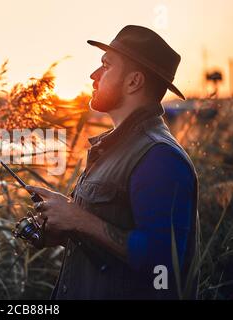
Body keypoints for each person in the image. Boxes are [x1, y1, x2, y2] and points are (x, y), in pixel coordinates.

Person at [26, 25, 199, 300]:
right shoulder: (116, 147)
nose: (93, 75)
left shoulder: (159, 157)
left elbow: (162, 263)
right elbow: (113, 233)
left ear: (134, 82)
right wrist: (65, 230)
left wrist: (76, 218)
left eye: (106, 66)